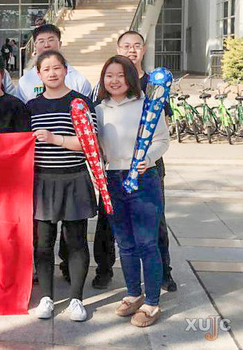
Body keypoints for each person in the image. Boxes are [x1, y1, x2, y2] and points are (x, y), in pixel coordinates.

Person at [96, 55, 169, 327]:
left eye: (120, 75)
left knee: (147, 242)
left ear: (130, 77)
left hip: (143, 179)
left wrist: (147, 159)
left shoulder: (146, 105)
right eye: (109, 75)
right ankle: (133, 293)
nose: (114, 80)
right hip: (112, 180)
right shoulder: (98, 109)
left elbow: (162, 140)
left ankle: (152, 302)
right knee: (124, 243)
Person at [27, 50, 97, 322]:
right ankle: (46, 297)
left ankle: (77, 298)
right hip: (42, 181)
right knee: (43, 243)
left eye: (57, 68)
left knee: (76, 241)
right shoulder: (32, 106)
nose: (52, 73)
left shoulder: (80, 103)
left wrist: (55, 139)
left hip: (74, 178)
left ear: (66, 70)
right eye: (46, 69)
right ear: (39, 74)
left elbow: (89, 143)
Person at [17, 24, 92, 104]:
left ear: (60, 43)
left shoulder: (78, 80)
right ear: (35, 46)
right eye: (41, 41)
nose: (46, 45)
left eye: (51, 40)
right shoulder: (25, 82)